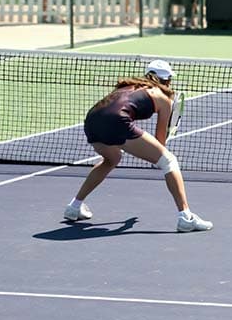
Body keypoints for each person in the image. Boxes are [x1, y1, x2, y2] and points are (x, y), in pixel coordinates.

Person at [63, 60, 213, 233]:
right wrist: (159, 152)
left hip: (91, 121)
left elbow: (113, 108)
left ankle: (74, 206)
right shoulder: (163, 98)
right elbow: (160, 142)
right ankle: (186, 217)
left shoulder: (128, 86)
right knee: (170, 161)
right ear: (167, 80)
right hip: (117, 121)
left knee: (112, 159)